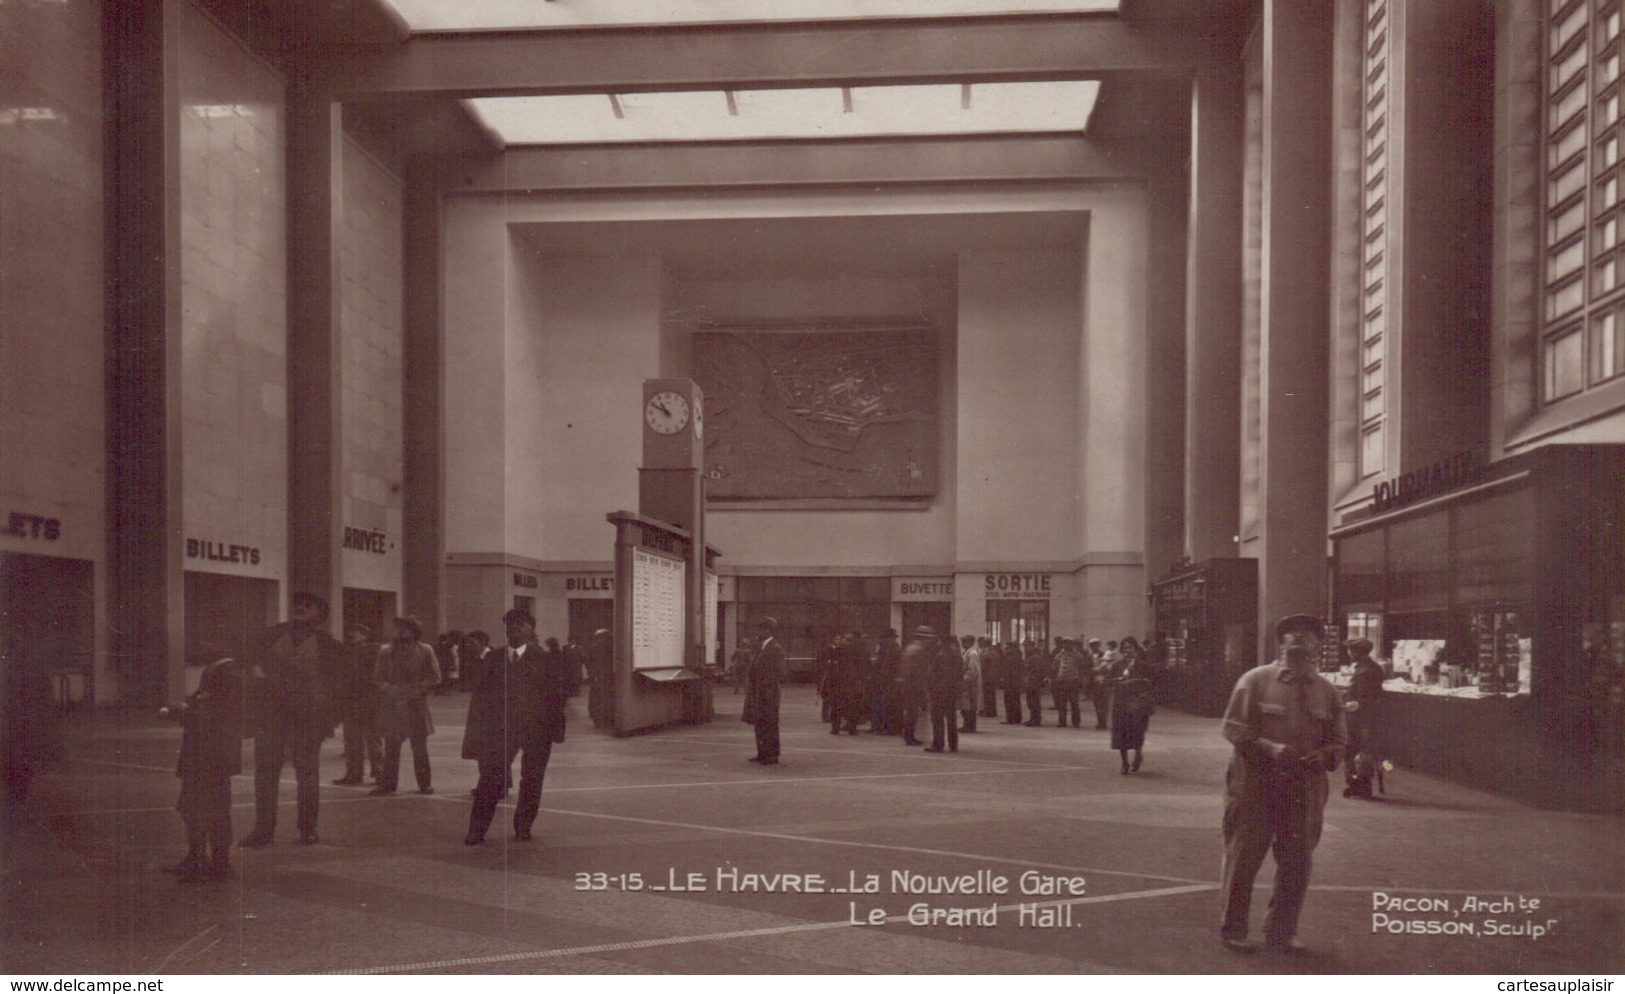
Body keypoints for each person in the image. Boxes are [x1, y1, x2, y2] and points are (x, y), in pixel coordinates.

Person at [1218, 614, 1349, 956]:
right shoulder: (1255, 681)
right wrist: (1271, 749)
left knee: (1297, 861)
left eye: (1307, 635)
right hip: (1255, 786)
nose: (1298, 641)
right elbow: (1233, 728)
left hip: (1304, 790)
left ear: (1319, 645)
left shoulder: (1327, 692)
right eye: (1291, 635)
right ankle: (1233, 928)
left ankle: (1282, 930)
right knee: (1244, 856)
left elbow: (1339, 742)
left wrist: (1325, 756)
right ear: (1280, 643)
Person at [241, 592, 342, 847]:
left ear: (320, 615)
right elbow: (243, 654)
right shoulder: (270, 635)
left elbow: (338, 686)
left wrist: (328, 719)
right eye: (299, 605)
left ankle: (308, 829)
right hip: (271, 716)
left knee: (307, 774)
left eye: (309, 606)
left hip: (308, 719)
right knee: (265, 773)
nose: (302, 609)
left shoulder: (328, 645)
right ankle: (263, 830)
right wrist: (253, 670)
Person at [462, 608, 571, 845]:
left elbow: (556, 696)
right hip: (501, 730)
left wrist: (554, 729)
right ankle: (476, 830)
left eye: (520, 624)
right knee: (490, 777)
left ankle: (523, 827)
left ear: (531, 629)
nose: (514, 628)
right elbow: (481, 696)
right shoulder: (493, 658)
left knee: (532, 779)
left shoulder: (546, 659)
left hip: (537, 730)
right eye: (510, 624)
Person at [164, 656, 246, 882]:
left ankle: (217, 862)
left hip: (212, 754)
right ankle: (200, 857)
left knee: (212, 808)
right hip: (205, 753)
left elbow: (222, 712)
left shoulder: (228, 671)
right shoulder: (220, 668)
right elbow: (201, 702)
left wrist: (184, 713)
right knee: (192, 806)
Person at [370, 615, 440, 796]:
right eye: (398, 628)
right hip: (392, 704)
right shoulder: (385, 652)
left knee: (419, 747)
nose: (400, 632)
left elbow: (434, 676)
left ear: (414, 631)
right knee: (391, 747)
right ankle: (387, 784)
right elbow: (378, 677)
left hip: (416, 704)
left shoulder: (425, 650)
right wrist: (390, 690)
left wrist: (415, 690)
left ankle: (425, 784)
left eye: (405, 628)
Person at [331, 624, 382, 786]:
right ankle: (357, 772)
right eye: (352, 632)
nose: (353, 634)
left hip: (366, 698)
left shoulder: (373, 651)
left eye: (357, 632)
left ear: (365, 635)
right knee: (354, 739)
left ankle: (373, 772)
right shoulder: (350, 652)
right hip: (355, 700)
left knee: (370, 738)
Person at [1342, 637, 1387, 799]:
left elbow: (1362, 700)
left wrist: (1346, 704)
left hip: (1359, 720)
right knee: (1365, 752)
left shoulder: (1363, 672)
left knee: (1354, 752)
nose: (1348, 653)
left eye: (1350, 650)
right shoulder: (1373, 668)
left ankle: (1357, 785)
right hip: (1370, 719)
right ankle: (1362, 785)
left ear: (1356, 652)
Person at [1109, 637, 1155, 772]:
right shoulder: (1117, 665)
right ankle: (1124, 762)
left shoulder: (1143, 665)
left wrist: (1138, 683)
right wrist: (1118, 679)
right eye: (1125, 648)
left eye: (1130, 648)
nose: (1127, 650)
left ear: (1136, 649)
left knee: (1138, 731)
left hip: (1138, 703)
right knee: (1121, 731)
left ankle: (1138, 753)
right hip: (1121, 703)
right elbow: (1108, 681)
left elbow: (1151, 682)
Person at [743, 617, 785, 764]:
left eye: (761, 629)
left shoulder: (775, 648)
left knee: (770, 723)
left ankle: (772, 755)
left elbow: (780, 672)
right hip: (759, 692)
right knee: (760, 723)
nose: (758, 632)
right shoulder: (762, 647)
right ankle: (762, 753)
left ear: (768, 630)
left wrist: (768, 687)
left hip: (768, 693)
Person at [897, 626, 934, 746]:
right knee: (913, 712)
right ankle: (909, 736)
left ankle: (909, 735)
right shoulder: (919, 650)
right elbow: (921, 671)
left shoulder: (910, 648)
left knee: (911, 712)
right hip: (915, 685)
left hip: (909, 685)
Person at [925, 629, 960, 753]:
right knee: (951, 718)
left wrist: (935, 690)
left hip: (940, 692)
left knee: (937, 718)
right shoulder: (956, 654)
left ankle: (938, 744)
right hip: (951, 691)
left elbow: (940, 676)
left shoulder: (942, 655)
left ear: (942, 642)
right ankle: (953, 744)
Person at [830, 631, 866, 735]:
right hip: (852, 681)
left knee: (837, 704)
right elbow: (862, 665)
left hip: (839, 680)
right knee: (853, 704)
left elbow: (833, 662)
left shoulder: (839, 647)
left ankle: (835, 727)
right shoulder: (858, 649)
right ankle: (852, 728)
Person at [869, 628, 901, 734]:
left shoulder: (895, 649)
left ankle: (890, 727)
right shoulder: (884, 649)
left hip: (889, 681)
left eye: (883, 638)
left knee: (888, 704)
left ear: (890, 639)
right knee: (879, 704)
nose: (881, 640)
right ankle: (878, 726)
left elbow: (894, 667)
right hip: (881, 681)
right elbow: (879, 664)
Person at [1051, 638, 1086, 729]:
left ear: (1072, 644)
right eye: (1065, 643)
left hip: (1073, 681)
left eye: (1069, 643)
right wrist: (1056, 676)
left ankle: (1076, 722)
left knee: (1074, 703)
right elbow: (1054, 666)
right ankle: (1062, 722)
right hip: (1062, 681)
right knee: (1062, 703)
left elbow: (1082, 668)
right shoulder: (1060, 654)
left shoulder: (1077, 655)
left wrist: (1081, 680)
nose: (1066, 645)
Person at [587, 628, 615, 730]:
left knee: (596, 699)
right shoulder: (612, 647)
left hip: (597, 678)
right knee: (608, 698)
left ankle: (597, 720)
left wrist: (592, 676)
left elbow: (589, 664)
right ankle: (607, 719)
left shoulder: (592, 648)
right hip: (609, 677)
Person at [1021, 639, 1047, 726]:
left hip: (1034, 683)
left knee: (1034, 701)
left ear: (1032, 646)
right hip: (1030, 682)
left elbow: (1037, 671)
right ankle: (1033, 718)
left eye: (1027, 646)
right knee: (1031, 701)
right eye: (1024, 646)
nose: (1025, 648)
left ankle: (1035, 719)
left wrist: (1032, 679)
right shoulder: (1031, 656)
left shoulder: (1035, 657)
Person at [1086, 638, 1110, 729]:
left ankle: (1103, 722)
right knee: (1096, 703)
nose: (1094, 647)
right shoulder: (1088, 657)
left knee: (1104, 703)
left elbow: (1107, 668)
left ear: (1099, 645)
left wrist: (1096, 670)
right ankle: (1100, 721)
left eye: (1096, 645)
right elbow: (1086, 670)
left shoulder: (1104, 655)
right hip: (1094, 683)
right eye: (1092, 645)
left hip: (1104, 683)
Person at [959, 635, 982, 733]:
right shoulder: (968, 652)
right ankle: (967, 725)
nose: (962, 644)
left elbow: (973, 670)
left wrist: (964, 680)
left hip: (970, 684)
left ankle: (969, 726)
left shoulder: (972, 653)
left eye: (964, 641)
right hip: (968, 683)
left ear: (969, 642)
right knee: (966, 706)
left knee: (969, 706)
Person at [999, 641, 1024, 725]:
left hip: (1010, 682)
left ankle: (1010, 718)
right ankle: (1017, 718)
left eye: (1006, 648)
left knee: (1009, 700)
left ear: (1011, 648)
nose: (1005, 650)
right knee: (1015, 700)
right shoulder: (1017, 656)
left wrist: (1005, 680)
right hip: (1014, 682)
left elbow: (1009, 671)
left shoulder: (1010, 658)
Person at [976, 636, 999, 720]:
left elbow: (982, 665)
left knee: (988, 695)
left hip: (988, 676)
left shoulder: (988, 653)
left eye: (981, 643)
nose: (980, 644)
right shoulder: (993, 652)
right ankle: (991, 711)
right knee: (990, 694)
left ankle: (989, 712)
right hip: (991, 676)